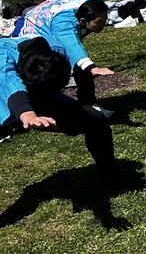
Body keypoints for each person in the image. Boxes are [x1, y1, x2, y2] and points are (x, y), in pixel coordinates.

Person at [0, 36, 120, 182]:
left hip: (36, 95)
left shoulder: (55, 50)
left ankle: (110, 173)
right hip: (10, 98)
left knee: (95, 119)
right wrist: (28, 115)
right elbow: (10, 84)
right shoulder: (3, 55)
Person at [12, 0, 115, 118]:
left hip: (47, 24)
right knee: (47, 71)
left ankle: (87, 103)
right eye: (100, 21)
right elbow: (71, 45)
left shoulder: (90, 4)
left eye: (105, 19)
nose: (104, 23)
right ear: (83, 21)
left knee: (77, 66)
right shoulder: (63, 23)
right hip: (33, 33)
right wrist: (91, 67)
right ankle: (36, 108)